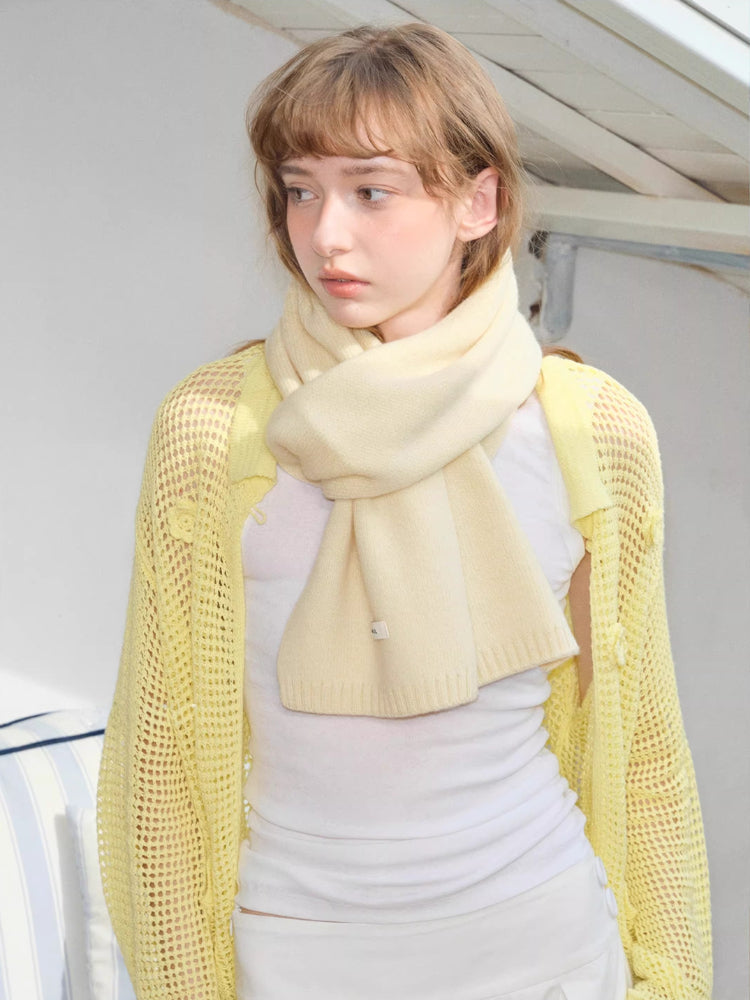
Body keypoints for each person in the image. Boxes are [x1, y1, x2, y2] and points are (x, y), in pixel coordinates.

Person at [97, 22, 712, 1000]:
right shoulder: (212, 428)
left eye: (371, 191)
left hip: (543, 941)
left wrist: (672, 976)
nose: (325, 235)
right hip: (302, 952)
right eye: (301, 190)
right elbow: (158, 757)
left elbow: (639, 746)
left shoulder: (592, 430)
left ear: (479, 201)